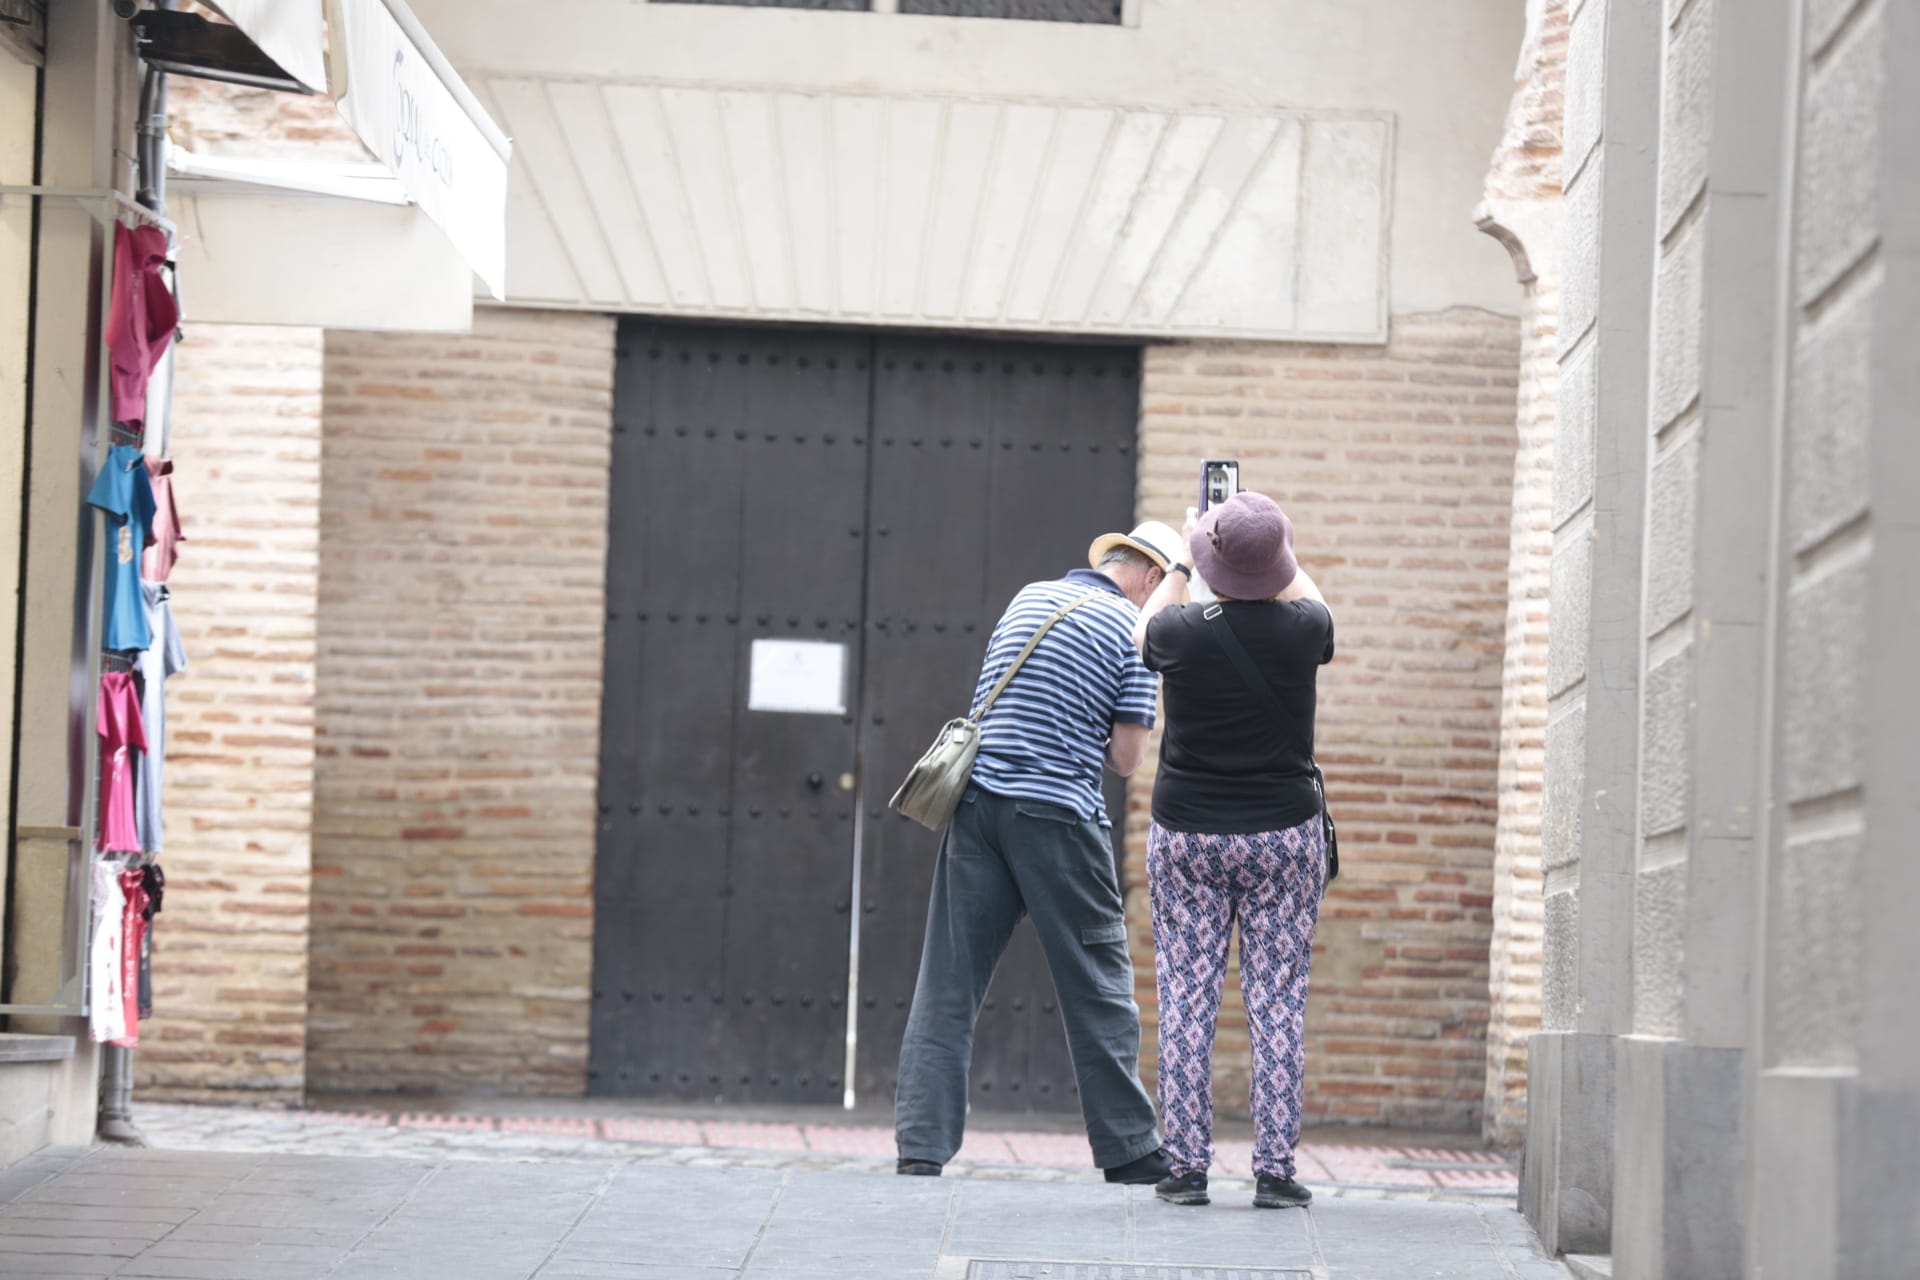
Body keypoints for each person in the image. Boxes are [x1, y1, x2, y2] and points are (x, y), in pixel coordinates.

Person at [894, 520, 1185, 1185]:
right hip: (1057, 816)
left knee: (947, 981)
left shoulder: (1028, 597)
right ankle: (1133, 1151)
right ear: (1147, 578)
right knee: (1099, 986)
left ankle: (921, 1146)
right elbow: (1125, 759)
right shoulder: (1132, 633)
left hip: (979, 805)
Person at [1129, 491, 1333, 1210]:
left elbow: (1141, 631)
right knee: (1277, 1002)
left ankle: (1187, 1169)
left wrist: (1187, 554)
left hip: (1187, 834)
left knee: (1187, 997)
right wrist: (1274, 555)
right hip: (1284, 835)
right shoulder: (1306, 628)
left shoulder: (1182, 631)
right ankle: (1274, 1172)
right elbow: (1310, 597)